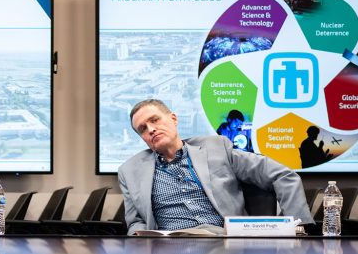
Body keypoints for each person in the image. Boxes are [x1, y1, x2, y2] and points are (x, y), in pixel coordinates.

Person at [118, 98, 312, 235]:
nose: (151, 129)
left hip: (223, 244)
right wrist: (139, 239)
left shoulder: (217, 148)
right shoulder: (129, 171)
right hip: (168, 250)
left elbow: (282, 175)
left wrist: (298, 230)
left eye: (155, 120)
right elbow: (136, 222)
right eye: (143, 129)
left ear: (174, 119)